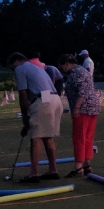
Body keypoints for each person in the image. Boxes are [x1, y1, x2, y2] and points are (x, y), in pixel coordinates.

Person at [8, 52, 64, 183]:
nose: (12, 69)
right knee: (47, 136)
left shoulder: (20, 68)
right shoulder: (35, 67)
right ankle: (52, 170)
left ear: (16, 61)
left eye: (11, 66)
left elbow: (23, 94)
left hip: (43, 100)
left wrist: (25, 118)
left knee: (36, 138)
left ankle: (33, 174)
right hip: (55, 100)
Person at [58, 54, 101, 177]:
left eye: (62, 67)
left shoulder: (76, 73)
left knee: (79, 137)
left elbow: (82, 91)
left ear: (67, 63)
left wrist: (77, 107)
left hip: (83, 108)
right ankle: (86, 163)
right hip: (93, 107)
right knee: (87, 137)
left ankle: (78, 167)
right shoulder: (83, 70)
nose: (63, 70)